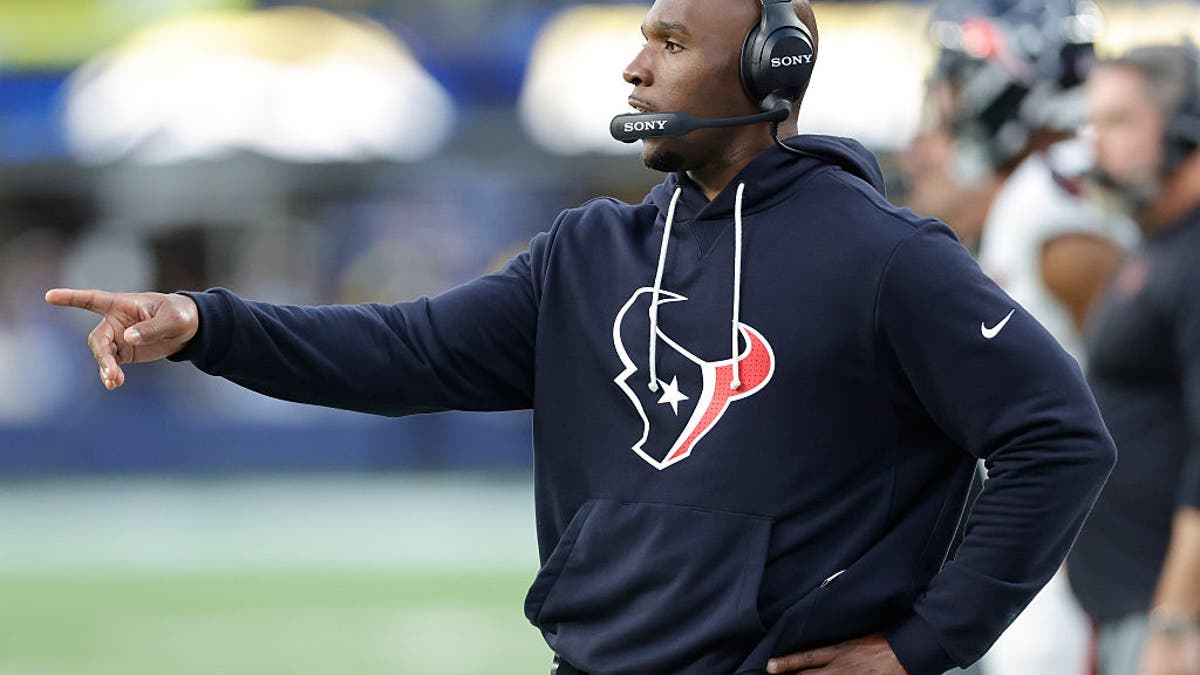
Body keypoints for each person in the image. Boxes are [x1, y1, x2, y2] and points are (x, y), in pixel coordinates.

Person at [46, 1, 1117, 673]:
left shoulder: (887, 256)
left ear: (768, 72)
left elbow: (1058, 438)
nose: (635, 68)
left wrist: (921, 649)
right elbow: (404, 351)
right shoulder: (589, 251)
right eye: (641, 39)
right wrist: (201, 325)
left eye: (671, 42)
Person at [920, 3, 1138, 674]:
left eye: (956, 85)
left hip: (1089, 543)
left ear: (1004, 82)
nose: (937, 119)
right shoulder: (1032, 192)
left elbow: (1157, 376)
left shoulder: (1057, 205)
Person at [1068, 42, 1200, 675]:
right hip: (1126, 604)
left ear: (1183, 131)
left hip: (1169, 618)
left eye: (1119, 122)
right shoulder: (1158, 242)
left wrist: (1176, 621)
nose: (1096, 144)